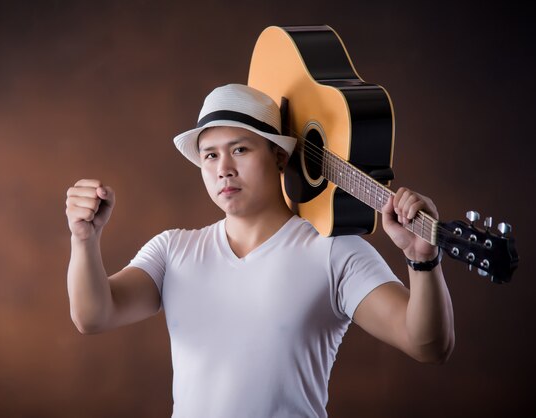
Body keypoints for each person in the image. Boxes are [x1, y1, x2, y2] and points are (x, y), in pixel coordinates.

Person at [65, 84, 454, 417]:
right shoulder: (173, 250)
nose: (224, 169)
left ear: (279, 157)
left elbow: (428, 344)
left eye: (241, 150)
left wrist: (422, 260)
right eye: (211, 155)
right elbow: (94, 315)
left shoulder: (334, 251)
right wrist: (85, 239)